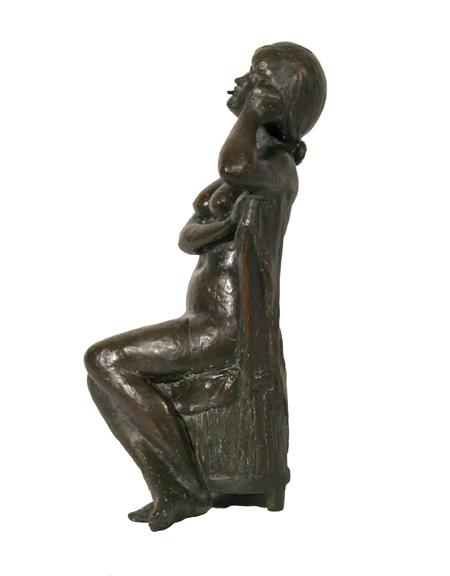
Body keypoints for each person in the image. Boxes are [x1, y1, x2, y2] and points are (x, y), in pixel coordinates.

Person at [84, 42, 326, 531]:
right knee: (103, 375)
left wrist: (251, 117)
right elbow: (186, 238)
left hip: (225, 329)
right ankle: (173, 486)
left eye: (258, 79)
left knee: (104, 360)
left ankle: (187, 489)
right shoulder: (243, 175)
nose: (242, 82)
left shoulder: (276, 170)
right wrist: (222, 226)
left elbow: (232, 167)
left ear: (276, 102)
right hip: (200, 320)